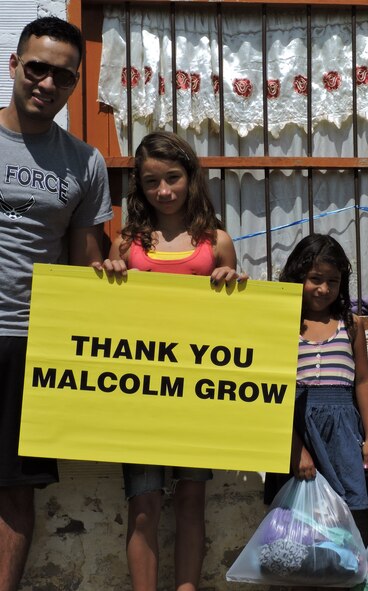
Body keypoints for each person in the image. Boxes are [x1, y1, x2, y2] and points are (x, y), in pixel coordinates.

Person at [100, 131, 245, 591]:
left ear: (191, 178)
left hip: (196, 396)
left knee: (191, 500)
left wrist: (233, 280)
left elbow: (238, 322)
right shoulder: (126, 242)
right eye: (150, 182)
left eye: (173, 178)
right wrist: (109, 275)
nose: (163, 191)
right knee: (142, 505)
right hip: (136, 394)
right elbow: (105, 317)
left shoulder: (216, 241)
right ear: (138, 188)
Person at [0, 16, 112, 591]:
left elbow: (83, 262)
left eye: (61, 76)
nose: (46, 83)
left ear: (73, 87)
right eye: (36, 68)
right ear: (14, 66)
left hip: (29, 340)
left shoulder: (86, 163)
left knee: (15, 489)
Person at [263, 233, 368, 545]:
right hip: (296, 428)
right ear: (297, 276)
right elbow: (273, 391)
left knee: (349, 517)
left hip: (342, 434)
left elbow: (363, 380)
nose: (324, 289)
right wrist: (295, 448)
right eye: (315, 279)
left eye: (333, 281)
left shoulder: (350, 325)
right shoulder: (282, 324)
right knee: (296, 526)